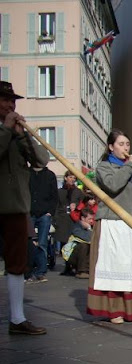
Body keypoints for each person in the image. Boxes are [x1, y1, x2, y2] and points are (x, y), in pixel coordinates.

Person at [87, 129, 132, 324]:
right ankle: (114, 311)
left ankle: (131, 311)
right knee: (115, 267)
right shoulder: (104, 166)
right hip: (113, 221)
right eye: (121, 144)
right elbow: (112, 185)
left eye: (127, 144)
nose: (125, 148)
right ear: (111, 147)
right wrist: (128, 166)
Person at [0, 80, 49, 335]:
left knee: (17, 262)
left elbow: (41, 160)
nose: (10, 105)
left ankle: (17, 319)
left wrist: (23, 135)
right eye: (5, 100)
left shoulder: (17, 134)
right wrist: (7, 131)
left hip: (16, 206)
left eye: (13, 101)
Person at [27, 164, 58, 282]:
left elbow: (54, 195)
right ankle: (28, 271)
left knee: (42, 243)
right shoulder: (27, 174)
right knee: (28, 243)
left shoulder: (49, 175)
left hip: (44, 213)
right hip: (30, 212)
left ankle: (41, 271)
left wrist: (50, 211)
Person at [53, 170, 84, 248]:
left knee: (74, 243)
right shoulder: (59, 191)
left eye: (74, 178)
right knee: (64, 244)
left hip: (74, 220)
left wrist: (76, 205)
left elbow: (82, 204)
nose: (72, 179)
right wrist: (55, 219)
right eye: (70, 177)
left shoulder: (78, 192)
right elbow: (56, 206)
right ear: (65, 178)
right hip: (62, 219)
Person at [63, 208, 95, 279]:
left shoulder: (92, 227)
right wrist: (89, 228)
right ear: (83, 218)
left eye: (92, 219)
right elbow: (89, 239)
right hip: (71, 256)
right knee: (84, 245)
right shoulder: (76, 227)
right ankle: (82, 271)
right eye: (89, 219)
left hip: (85, 256)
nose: (91, 221)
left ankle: (91, 270)